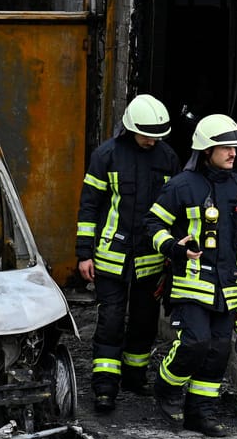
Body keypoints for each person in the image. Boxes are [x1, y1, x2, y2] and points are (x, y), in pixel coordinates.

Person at [145, 114, 237, 437]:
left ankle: (199, 414)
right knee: (195, 343)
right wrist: (174, 248)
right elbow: (152, 226)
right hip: (191, 282)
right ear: (207, 149)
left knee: (219, 350)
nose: (233, 153)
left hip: (226, 286)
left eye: (235, 147)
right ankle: (166, 385)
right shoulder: (181, 186)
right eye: (226, 147)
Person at [76, 94, 181, 413]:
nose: (153, 140)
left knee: (145, 322)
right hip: (111, 257)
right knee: (110, 321)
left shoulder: (168, 158)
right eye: (148, 134)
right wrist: (83, 253)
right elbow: (90, 204)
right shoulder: (106, 156)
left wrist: (171, 250)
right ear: (132, 128)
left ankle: (136, 376)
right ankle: (105, 388)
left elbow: (174, 209)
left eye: (158, 135)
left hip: (150, 259)